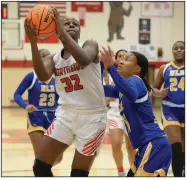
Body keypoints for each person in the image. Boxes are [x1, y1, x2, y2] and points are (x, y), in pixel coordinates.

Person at [24, 8, 107, 177]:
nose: (71, 25)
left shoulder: (90, 45)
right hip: (65, 114)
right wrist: (33, 41)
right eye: (67, 23)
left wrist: (61, 31)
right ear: (57, 29)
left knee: (78, 173)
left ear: (79, 30)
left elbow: (83, 60)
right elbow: (42, 75)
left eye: (75, 24)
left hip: (93, 117)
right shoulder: (54, 59)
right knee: (39, 167)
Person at [100, 46, 172, 176]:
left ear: (137, 69)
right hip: (147, 146)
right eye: (120, 58)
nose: (121, 61)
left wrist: (111, 67)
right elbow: (100, 89)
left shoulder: (135, 81)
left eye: (127, 59)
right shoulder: (123, 87)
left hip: (154, 144)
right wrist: (99, 65)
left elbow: (131, 94)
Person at [14, 49, 61, 165]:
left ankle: (44, 169)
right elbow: (17, 94)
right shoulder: (31, 76)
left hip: (54, 118)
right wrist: (25, 105)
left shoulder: (57, 78)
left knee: (58, 158)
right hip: (35, 117)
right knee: (41, 156)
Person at [153, 41, 185, 177]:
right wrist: (159, 93)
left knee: (183, 148)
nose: (178, 50)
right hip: (169, 110)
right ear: (172, 51)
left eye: (182, 48)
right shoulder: (164, 68)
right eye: (175, 48)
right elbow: (154, 88)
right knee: (176, 145)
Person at [104, 49, 136, 176]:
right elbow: (108, 97)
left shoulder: (132, 76)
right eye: (120, 56)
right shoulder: (110, 75)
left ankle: (133, 171)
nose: (122, 58)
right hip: (115, 113)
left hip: (129, 114)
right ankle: (120, 171)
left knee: (131, 147)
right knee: (116, 143)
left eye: (125, 57)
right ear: (116, 59)